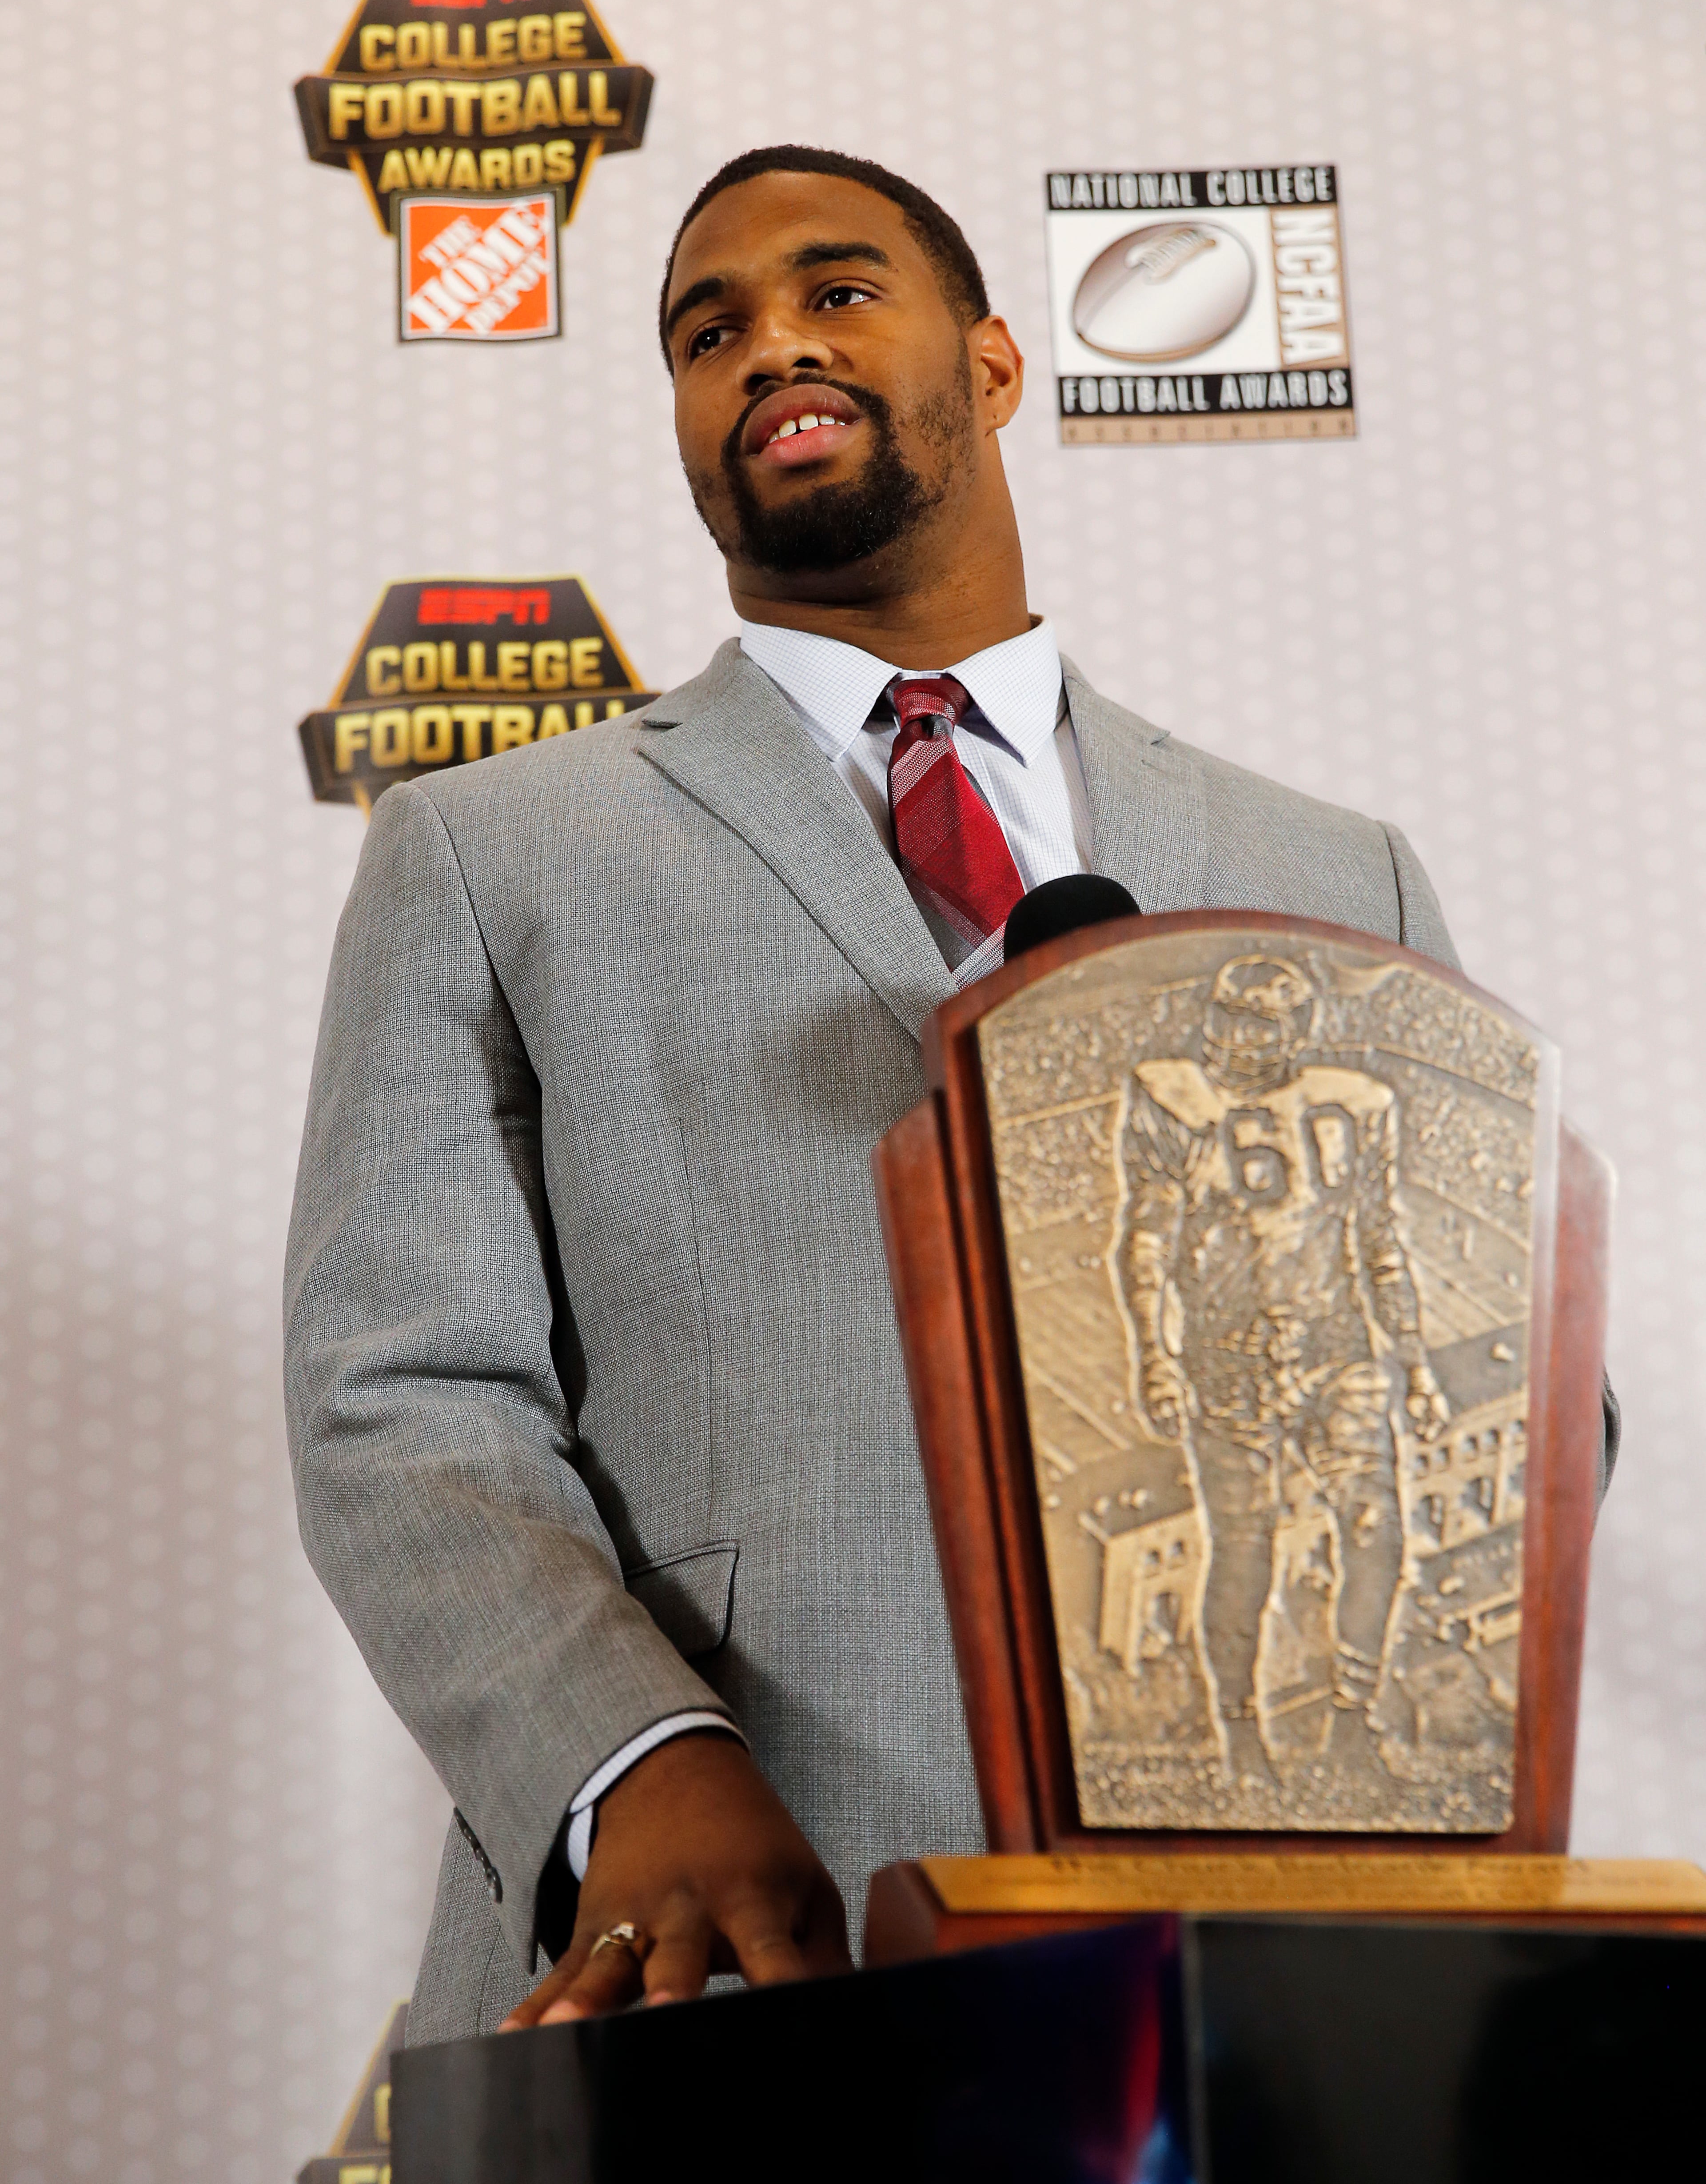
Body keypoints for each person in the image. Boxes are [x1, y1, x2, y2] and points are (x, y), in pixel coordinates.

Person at [283, 144, 1467, 2044]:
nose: (767, 348)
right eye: (705, 328)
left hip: (1259, 1944)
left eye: (836, 293)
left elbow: (1487, 1368)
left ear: (995, 365)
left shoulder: (1335, 873)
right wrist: (637, 1752)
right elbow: (398, 1397)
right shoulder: (490, 852)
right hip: (736, 1917)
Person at [1112, 954, 1448, 1789]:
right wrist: (1156, 1355)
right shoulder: (1173, 1099)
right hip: (1229, 1359)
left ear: (1302, 1031)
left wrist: (1415, 1366)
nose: (1235, 1038)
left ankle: (1351, 1718)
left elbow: (1379, 1242)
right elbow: (1148, 1242)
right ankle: (1240, 1735)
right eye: (1227, 1016)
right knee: (1245, 1552)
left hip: (1338, 1350)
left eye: (1260, 1023)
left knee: (1378, 1534)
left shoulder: (1355, 1107)